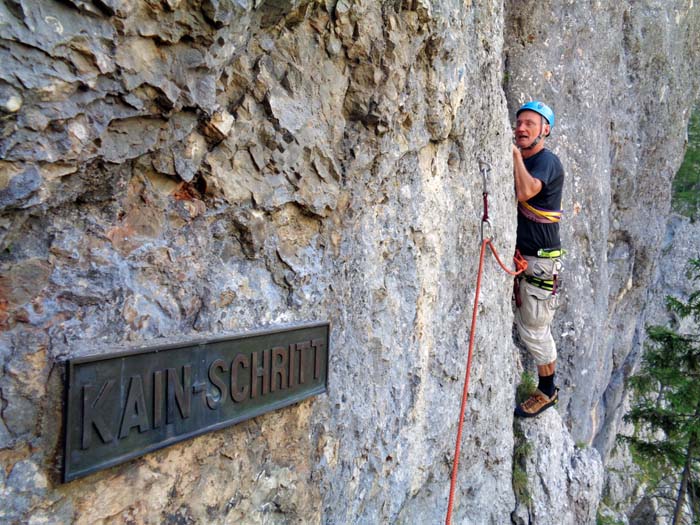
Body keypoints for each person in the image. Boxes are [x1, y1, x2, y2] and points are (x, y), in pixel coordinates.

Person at [511, 101, 565, 418]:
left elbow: (526, 191)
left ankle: (547, 391)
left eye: (530, 123)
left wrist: (516, 157)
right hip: (528, 256)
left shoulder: (547, 162)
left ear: (545, 130)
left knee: (534, 328)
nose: (521, 128)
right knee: (529, 324)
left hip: (540, 262)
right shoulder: (531, 159)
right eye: (519, 123)